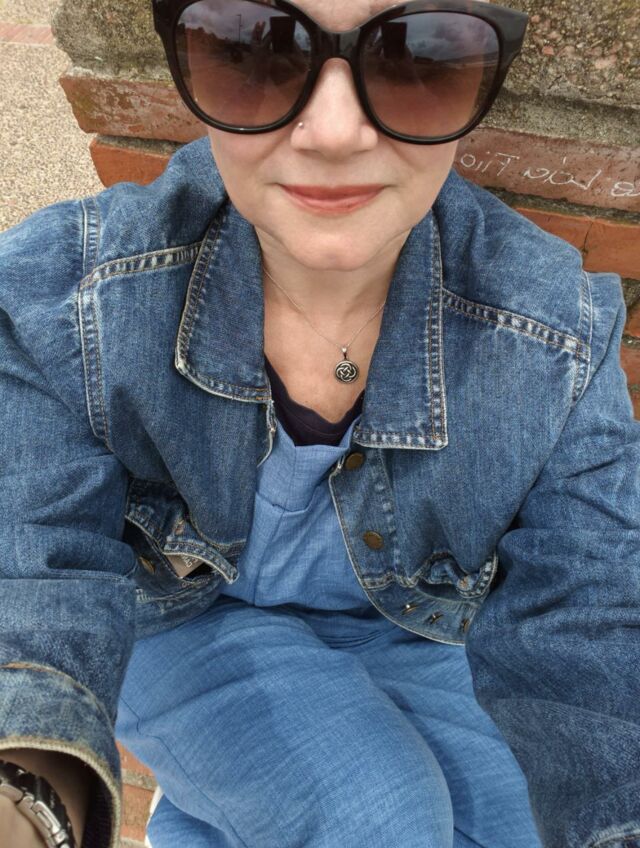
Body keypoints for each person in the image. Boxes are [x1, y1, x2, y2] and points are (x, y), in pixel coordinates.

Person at [0, 0, 638, 846]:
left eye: (417, 56)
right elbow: (33, 589)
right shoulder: (64, 305)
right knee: (380, 815)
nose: (334, 132)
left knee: (507, 823)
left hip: (410, 625)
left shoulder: (559, 333)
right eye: (253, 49)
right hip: (180, 621)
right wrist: (27, 803)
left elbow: (591, 624)